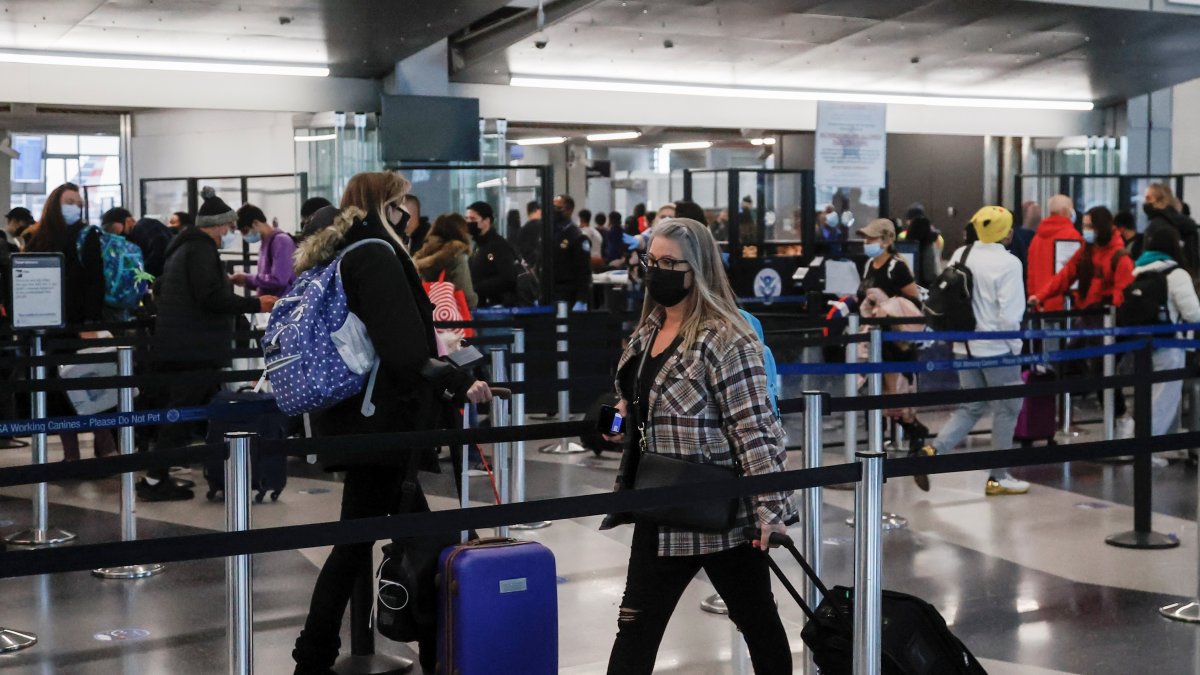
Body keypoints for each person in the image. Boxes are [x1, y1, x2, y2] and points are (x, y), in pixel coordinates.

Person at [292, 171, 492, 675]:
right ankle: (431, 655)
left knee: (374, 539)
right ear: (386, 206)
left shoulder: (345, 251)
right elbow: (403, 348)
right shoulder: (377, 254)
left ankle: (322, 656)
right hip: (381, 423)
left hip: (362, 420)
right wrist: (454, 380)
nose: (409, 214)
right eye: (402, 204)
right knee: (398, 541)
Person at [600, 217, 793, 675]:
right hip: (657, 503)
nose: (657, 271)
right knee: (634, 628)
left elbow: (754, 427)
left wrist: (770, 510)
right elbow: (639, 395)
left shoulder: (727, 338)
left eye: (670, 263)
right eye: (651, 261)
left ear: (700, 269)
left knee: (759, 624)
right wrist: (624, 414)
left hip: (722, 514)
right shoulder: (648, 331)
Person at [146, 188, 275, 501]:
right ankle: (154, 478)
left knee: (187, 412)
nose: (231, 233)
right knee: (180, 414)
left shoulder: (183, 248)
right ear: (218, 226)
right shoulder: (200, 251)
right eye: (229, 227)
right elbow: (211, 298)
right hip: (194, 347)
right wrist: (255, 304)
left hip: (184, 345)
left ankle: (168, 474)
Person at [917, 207, 1029, 495]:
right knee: (1006, 410)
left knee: (971, 407)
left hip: (963, 346)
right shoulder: (1009, 263)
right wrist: (1016, 348)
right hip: (997, 348)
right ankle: (998, 477)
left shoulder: (961, 254)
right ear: (1006, 232)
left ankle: (932, 451)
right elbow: (1010, 315)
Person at [25, 183, 113, 461]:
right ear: (55, 203)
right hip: (48, 327)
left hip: (79, 326)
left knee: (90, 388)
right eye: (69, 201)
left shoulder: (86, 235)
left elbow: (95, 282)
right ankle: (70, 455)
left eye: (78, 202)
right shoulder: (38, 237)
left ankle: (107, 451)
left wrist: (90, 324)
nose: (74, 207)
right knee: (57, 393)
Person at [855, 218, 928, 454]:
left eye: (871, 238)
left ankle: (914, 431)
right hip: (873, 336)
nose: (867, 242)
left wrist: (887, 303)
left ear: (886, 240)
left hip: (895, 340)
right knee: (875, 390)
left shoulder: (897, 267)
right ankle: (878, 442)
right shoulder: (869, 265)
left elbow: (914, 302)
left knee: (894, 391)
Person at [1126, 226, 1200, 437]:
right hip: (1170, 345)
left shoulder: (1139, 271)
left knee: (1147, 396)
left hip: (1141, 345)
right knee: (1163, 400)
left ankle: (1162, 443)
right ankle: (1143, 446)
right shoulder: (1176, 274)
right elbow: (1193, 314)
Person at [1029, 207, 1134, 311]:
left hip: (1105, 315)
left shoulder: (1120, 258)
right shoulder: (1086, 249)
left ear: (1101, 227)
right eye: (1084, 226)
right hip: (1086, 311)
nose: (1085, 231)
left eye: (1089, 226)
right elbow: (1066, 274)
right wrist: (1040, 296)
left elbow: (1121, 296)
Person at [1026, 194, 1082, 311]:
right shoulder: (1072, 236)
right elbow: (1075, 271)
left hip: (1039, 301)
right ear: (1066, 210)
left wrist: (1034, 297)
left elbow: (1030, 273)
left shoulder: (1036, 238)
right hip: (1064, 303)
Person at [413, 212, 478, 309]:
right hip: (449, 314)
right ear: (460, 232)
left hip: (425, 312)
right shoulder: (456, 256)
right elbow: (466, 297)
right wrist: (475, 299)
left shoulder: (421, 255)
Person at [231, 204, 297, 297]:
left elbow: (279, 280)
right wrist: (245, 281)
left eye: (245, 231)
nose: (244, 236)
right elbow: (266, 282)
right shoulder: (265, 243)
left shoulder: (281, 241)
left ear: (255, 223)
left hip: (282, 301)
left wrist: (247, 278)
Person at [466, 201, 519, 307]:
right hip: (482, 305)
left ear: (486, 221)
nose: (468, 222)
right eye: (466, 218)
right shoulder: (478, 245)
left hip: (496, 307)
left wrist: (476, 287)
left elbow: (508, 278)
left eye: (473, 219)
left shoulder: (498, 246)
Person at [1143, 182, 1199, 271]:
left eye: (1148, 198)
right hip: (1186, 275)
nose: (1145, 202)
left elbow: (1150, 260)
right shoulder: (1187, 225)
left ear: (1160, 200)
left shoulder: (1157, 226)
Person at [551, 193, 592, 309]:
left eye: (558, 208)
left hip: (568, 293)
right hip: (551, 291)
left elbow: (584, 270)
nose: (554, 211)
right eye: (553, 207)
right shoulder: (549, 233)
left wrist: (582, 299)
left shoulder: (577, 236)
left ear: (569, 210)